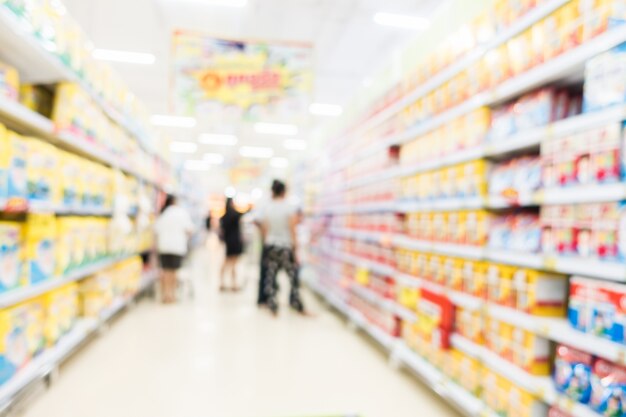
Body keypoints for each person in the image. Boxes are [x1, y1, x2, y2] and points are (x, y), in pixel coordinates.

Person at [259, 180, 305, 315]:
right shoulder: (288, 208)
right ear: (284, 192)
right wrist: (295, 248)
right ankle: (296, 303)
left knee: (271, 275)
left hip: (271, 245)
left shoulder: (268, 207)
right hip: (285, 246)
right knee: (292, 276)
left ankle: (272, 304)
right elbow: (292, 229)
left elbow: (265, 228)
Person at [154, 194, 194, 303]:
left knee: (165, 271)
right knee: (174, 272)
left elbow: (156, 230)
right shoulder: (181, 213)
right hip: (177, 247)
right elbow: (190, 230)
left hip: (164, 246)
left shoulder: (163, 213)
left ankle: (165, 295)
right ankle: (172, 295)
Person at [219, 197, 244, 291]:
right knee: (233, 263)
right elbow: (243, 213)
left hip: (228, 241)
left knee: (225, 262)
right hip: (235, 241)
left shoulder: (224, 217)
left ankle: (221, 282)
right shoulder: (235, 215)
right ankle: (233, 284)